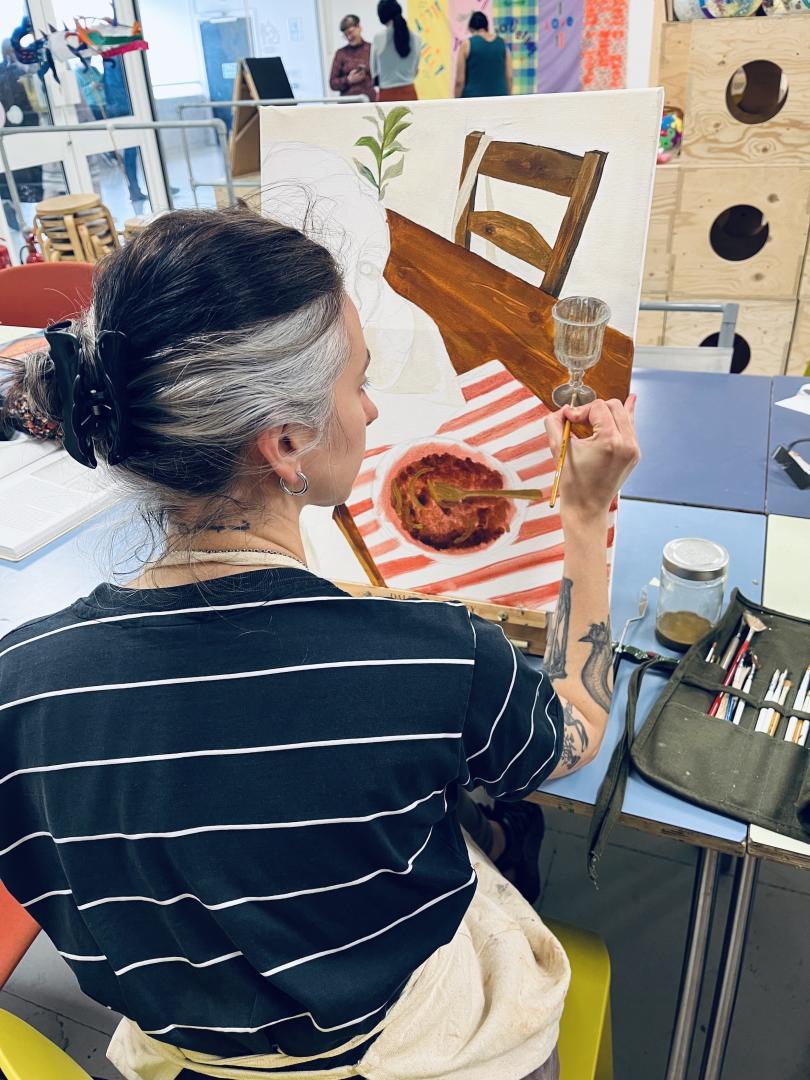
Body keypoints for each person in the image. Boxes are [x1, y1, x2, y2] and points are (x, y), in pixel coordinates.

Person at [0, 207, 639, 1080]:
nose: (372, 409)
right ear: (289, 442)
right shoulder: (433, 660)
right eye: (359, 383)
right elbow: (575, 728)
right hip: (402, 1045)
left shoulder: (22, 687)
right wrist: (584, 516)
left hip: (191, 1057)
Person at [371, 0, 421, 102]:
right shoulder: (416, 38)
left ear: (381, 16)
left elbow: (374, 71)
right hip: (410, 93)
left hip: (387, 95)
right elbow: (415, 71)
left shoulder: (379, 37)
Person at [454, 11, 512, 98]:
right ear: (487, 26)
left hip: (473, 100)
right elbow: (509, 77)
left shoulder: (467, 44)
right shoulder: (502, 44)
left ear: (471, 28)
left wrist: (456, 102)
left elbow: (459, 81)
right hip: (499, 99)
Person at [330, 14, 376, 103]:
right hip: (347, 103)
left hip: (369, 101)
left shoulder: (372, 49)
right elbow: (332, 83)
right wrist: (348, 80)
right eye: (345, 35)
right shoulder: (340, 53)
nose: (349, 37)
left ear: (359, 27)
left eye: (350, 32)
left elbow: (380, 76)